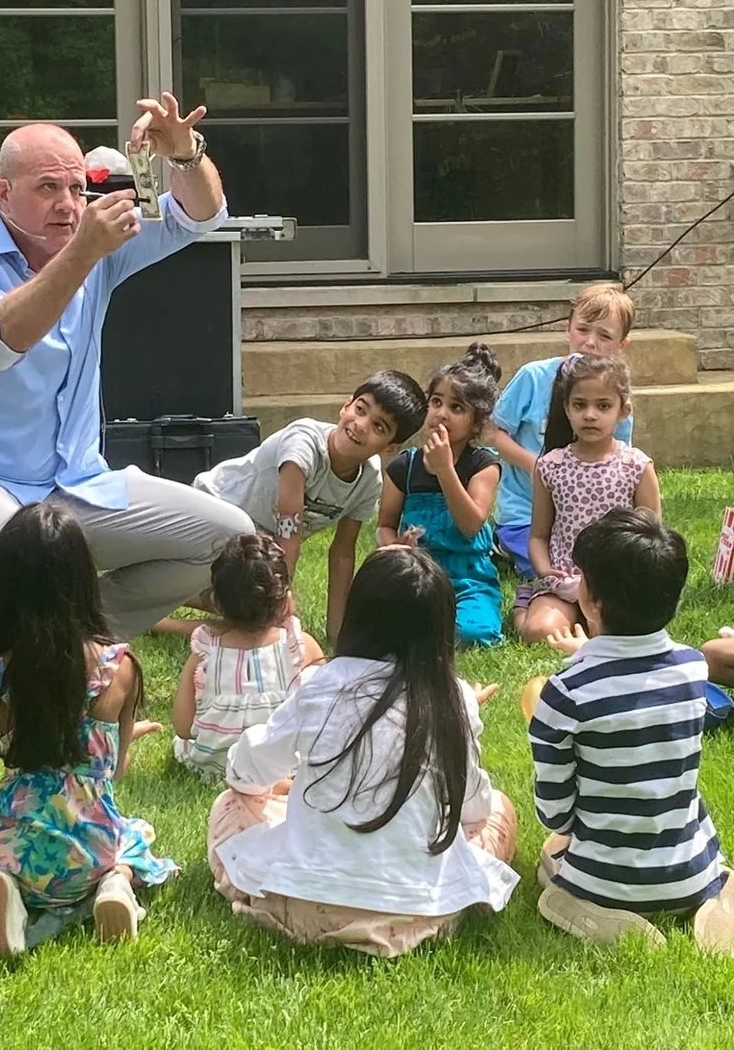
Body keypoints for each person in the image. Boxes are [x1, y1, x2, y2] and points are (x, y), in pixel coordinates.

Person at [0, 97, 253, 724]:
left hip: (75, 484)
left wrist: (185, 153)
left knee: (230, 538)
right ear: (2, 193)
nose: (68, 204)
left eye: (77, 186)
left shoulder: (90, 242)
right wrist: (85, 253)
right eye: (48, 189)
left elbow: (201, 215)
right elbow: (7, 337)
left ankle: (59, 644)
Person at [206, 547, 519, 958]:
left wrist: (277, 788)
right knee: (499, 808)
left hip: (306, 904)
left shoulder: (321, 683)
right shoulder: (452, 698)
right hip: (420, 911)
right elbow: (474, 809)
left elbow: (245, 772)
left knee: (232, 803)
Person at [0, 503, 176, 956]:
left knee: (4, 859)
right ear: (82, 578)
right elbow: (114, 772)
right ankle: (114, 885)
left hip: (17, 846)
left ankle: (5, 886)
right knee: (134, 836)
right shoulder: (121, 668)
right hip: (91, 847)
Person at [528, 508, 734, 951]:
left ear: (593, 600)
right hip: (690, 869)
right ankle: (712, 896)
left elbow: (556, 813)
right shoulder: (693, 669)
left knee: (550, 860)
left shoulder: (565, 694)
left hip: (606, 879)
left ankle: (592, 906)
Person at [192, 371, 427, 644]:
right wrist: (278, 603)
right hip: (215, 510)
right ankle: (178, 603)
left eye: (379, 427)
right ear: (346, 405)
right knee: (263, 613)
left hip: (256, 546)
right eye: (360, 409)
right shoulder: (303, 444)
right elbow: (288, 533)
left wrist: (338, 634)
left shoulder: (369, 479)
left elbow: (342, 553)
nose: (361, 425)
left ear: (390, 448)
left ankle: (165, 620)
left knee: (254, 613)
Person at [489, 284, 635, 577]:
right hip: (524, 514)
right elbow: (492, 433)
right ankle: (504, 546)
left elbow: (620, 463)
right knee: (551, 570)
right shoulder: (533, 377)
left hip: (587, 517)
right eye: (583, 329)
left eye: (605, 336)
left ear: (621, 345)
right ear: (567, 328)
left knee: (604, 572)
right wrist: (534, 465)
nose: (590, 342)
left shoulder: (616, 400)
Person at [514, 354, 661, 644]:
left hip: (618, 585)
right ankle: (524, 607)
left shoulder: (637, 466)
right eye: (580, 405)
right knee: (539, 631)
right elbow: (538, 536)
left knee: (620, 638)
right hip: (564, 582)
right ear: (567, 409)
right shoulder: (550, 466)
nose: (590, 415)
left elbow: (651, 537)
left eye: (603, 406)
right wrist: (545, 571)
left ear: (623, 410)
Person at [378, 343, 503, 647]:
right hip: (417, 575)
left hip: (468, 578)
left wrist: (445, 470)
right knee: (382, 627)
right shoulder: (404, 467)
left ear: (476, 422)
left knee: (473, 632)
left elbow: (471, 524)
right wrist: (395, 546)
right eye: (436, 402)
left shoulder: (483, 465)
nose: (441, 414)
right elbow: (384, 525)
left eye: (456, 408)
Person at [172, 533, 324, 779]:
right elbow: (322, 711)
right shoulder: (300, 647)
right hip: (282, 767)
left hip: (214, 765)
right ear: (285, 601)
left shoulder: (205, 654)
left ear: (217, 603)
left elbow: (182, 726)